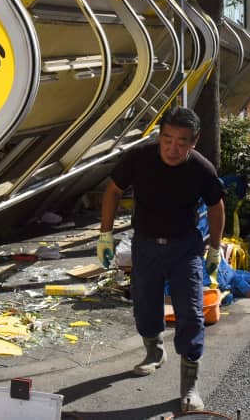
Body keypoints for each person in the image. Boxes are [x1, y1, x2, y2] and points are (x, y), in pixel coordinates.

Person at [97, 106, 224, 412]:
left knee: (191, 313)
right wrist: (105, 235)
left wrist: (215, 248)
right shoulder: (140, 158)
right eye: (167, 138)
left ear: (194, 141)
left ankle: (189, 387)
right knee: (144, 304)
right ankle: (154, 352)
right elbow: (113, 190)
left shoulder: (201, 169)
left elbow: (217, 206)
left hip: (185, 249)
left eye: (181, 141)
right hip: (146, 245)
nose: (172, 148)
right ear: (160, 135)